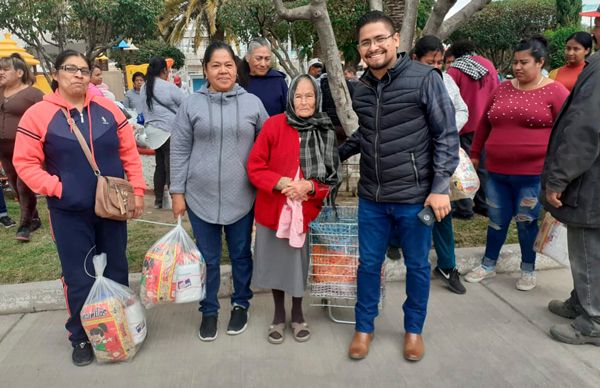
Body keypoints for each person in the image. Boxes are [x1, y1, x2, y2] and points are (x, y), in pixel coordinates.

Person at [339, 11, 459, 362]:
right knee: (367, 266)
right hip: (372, 198)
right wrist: (334, 154)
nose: (373, 47)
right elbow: (369, 133)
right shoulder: (361, 90)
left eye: (379, 39)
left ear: (395, 41)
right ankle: (364, 327)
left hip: (415, 198)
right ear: (360, 48)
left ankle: (413, 330)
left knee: (418, 266)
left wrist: (439, 187)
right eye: (365, 42)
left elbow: (446, 136)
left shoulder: (425, 79)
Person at [13, 49, 145, 366]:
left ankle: (118, 327)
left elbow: (130, 154)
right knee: (80, 277)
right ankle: (82, 336)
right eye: (71, 69)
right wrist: (58, 189)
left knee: (116, 270)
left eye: (84, 70)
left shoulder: (108, 110)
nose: (79, 75)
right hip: (69, 213)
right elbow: (25, 164)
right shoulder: (38, 115)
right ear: (55, 74)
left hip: (112, 208)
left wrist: (137, 191)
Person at [170, 41, 268, 342]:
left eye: (228, 65)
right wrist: (177, 192)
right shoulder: (191, 105)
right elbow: (179, 149)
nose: (223, 71)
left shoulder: (252, 103)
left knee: (240, 254)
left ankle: (241, 303)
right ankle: (209, 310)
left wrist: (268, 184)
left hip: (242, 196)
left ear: (236, 68)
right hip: (200, 196)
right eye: (216, 65)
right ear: (206, 70)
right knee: (208, 258)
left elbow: (267, 146)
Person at [463, 37, 569, 290]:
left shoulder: (555, 91)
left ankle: (528, 268)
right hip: (497, 173)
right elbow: (484, 124)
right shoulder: (501, 89)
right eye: (515, 62)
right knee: (496, 220)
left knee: (526, 222)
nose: (518, 67)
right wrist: (475, 154)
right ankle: (488, 265)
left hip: (532, 175)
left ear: (540, 62)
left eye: (524, 62)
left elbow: (567, 131)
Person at [247, 74, 340, 344]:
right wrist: (280, 182)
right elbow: (255, 166)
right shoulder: (274, 125)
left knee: (298, 264)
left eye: (309, 95)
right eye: (298, 96)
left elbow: (332, 178)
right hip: (275, 208)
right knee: (277, 263)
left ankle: (298, 314)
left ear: (317, 98)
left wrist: (310, 187)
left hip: (306, 211)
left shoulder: (325, 129)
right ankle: (278, 315)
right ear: (290, 98)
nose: (303, 101)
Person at [542, 49, 600, 346]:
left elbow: (584, 129)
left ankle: (593, 321)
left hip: (591, 182)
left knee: (588, 250)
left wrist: (559, 178)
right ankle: (581, 301)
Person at [411, 35, 469, 294]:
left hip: (440, 158)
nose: (435, 67)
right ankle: (394, 242)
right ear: (415, 59)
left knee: (441, 210)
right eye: (429, 62)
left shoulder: (446, 81)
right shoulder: (405, 81)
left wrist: (444, 130)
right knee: (404, 209)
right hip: (409, 160)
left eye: (439, 62)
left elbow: (462, 111)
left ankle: (447, 265)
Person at [446, 40, 500, 219]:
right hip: (487, 124)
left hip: (465, 126)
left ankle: (464, 208)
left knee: (462, 168)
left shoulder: (455, 69)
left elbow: (448, 99)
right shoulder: (488, 65)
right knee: (483, 167)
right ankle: (483, 204)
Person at [0, 53, 44, 241]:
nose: (1, 72)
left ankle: (25, 224)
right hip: (3, 147)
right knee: (13, 182)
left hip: (25, 146)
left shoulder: (34, 94)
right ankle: (34, 218)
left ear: (19, 72)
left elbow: (46, 118)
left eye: (5, 69)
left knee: (23, 183)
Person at [140, 56, 185, 209]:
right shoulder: (168, 87)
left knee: (160, 166)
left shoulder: (143, 87)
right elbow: (186, 104)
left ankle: (158, 200)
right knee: (171, 165)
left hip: (153, 132)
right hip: (169, 130)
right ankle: (174, 200)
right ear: (164, 70)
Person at [238, 37, 288, 116]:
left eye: (267, 59)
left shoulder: (278, 81)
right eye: (258, 58)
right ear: (248, 57)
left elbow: (289, 111)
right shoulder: (238, 80)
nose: (263, 64)